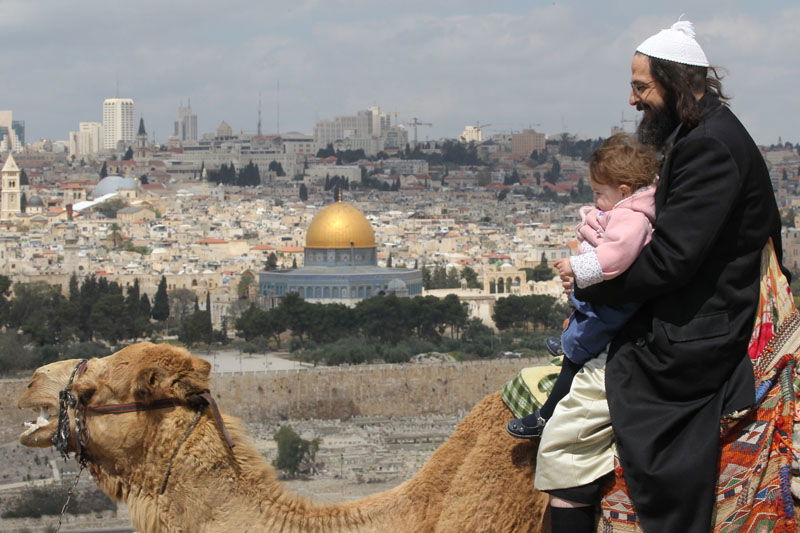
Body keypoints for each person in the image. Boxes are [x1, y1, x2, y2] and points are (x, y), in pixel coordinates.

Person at [532, 19, 784, 533]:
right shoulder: (702, 133)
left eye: (641, 87)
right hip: (697, 302)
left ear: (675, 81)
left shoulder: (709, 145)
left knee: (572, 440)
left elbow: (671, 260)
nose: (632, 99)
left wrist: (593, 285)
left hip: (699, 328)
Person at [507, 133, 658, 439]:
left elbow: (613, 258)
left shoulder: (632, 218)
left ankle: (545, 418)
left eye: (599, 193)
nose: (595, 199)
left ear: (624, 190)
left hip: (613, 302)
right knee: (577, 323)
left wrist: (576, 268)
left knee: (574, 356)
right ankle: (569, 341)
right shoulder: (627, 210)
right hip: (609, 295)